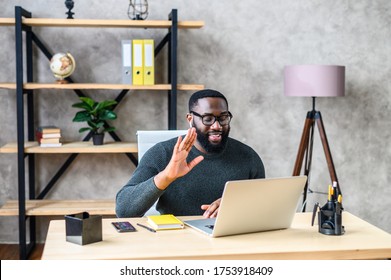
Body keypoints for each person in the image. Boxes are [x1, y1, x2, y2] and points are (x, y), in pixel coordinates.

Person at [116, 89, 265, 218]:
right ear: (190, 119)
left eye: (223, 118)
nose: (217, 126)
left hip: (231, 241)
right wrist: (167, 176)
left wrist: (236, 204)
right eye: (207, 119)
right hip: (178, 241)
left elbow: (263, 205)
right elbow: (124, 210)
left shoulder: (248, 157)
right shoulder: (162, 153)